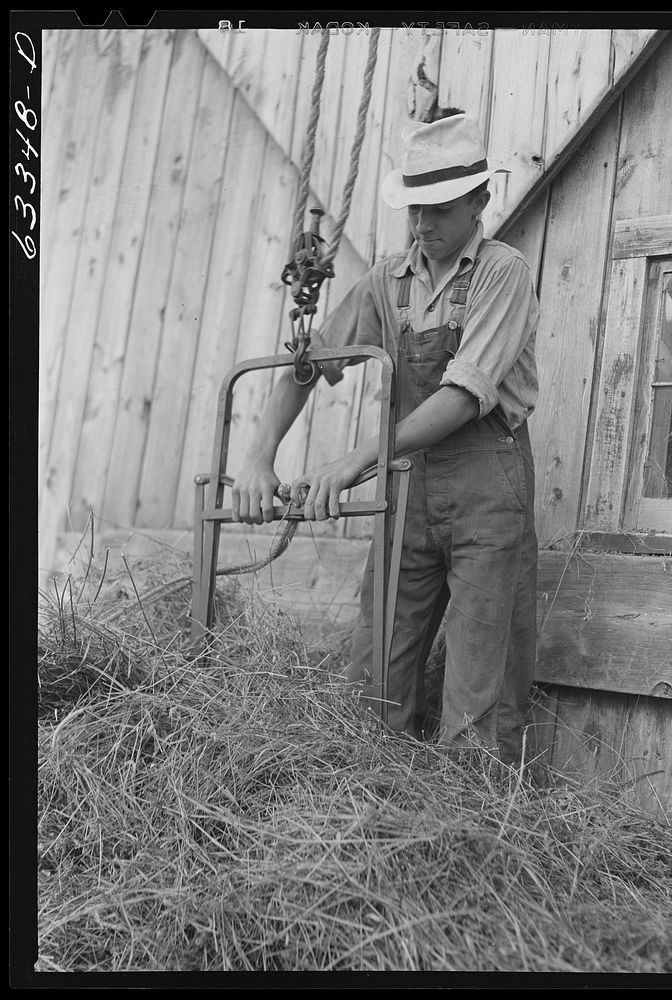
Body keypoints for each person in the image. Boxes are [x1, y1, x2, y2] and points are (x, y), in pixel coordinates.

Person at [232, 114, 539, 765]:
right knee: (375, 682)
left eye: (440, 210)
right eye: (414, 210)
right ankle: (372, 818)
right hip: (409, 489)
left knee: (480, 690)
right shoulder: (386, 280)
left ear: (481, 200)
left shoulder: (502, 274)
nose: (424, 225)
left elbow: (461, 396)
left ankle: (474, 833)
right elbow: (310, 361)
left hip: (489, 491)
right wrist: (258, 456)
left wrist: (353, 460)